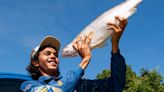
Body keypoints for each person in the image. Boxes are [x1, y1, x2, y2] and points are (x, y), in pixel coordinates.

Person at [20, 16, 127, 92]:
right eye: (47, 54)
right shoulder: (28, 86)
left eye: (55, 55)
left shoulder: (80, 85)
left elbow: (116, 85)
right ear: (35, 62)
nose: (53, 56)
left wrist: (115, 45)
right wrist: (85, 60)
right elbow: (57, 90)